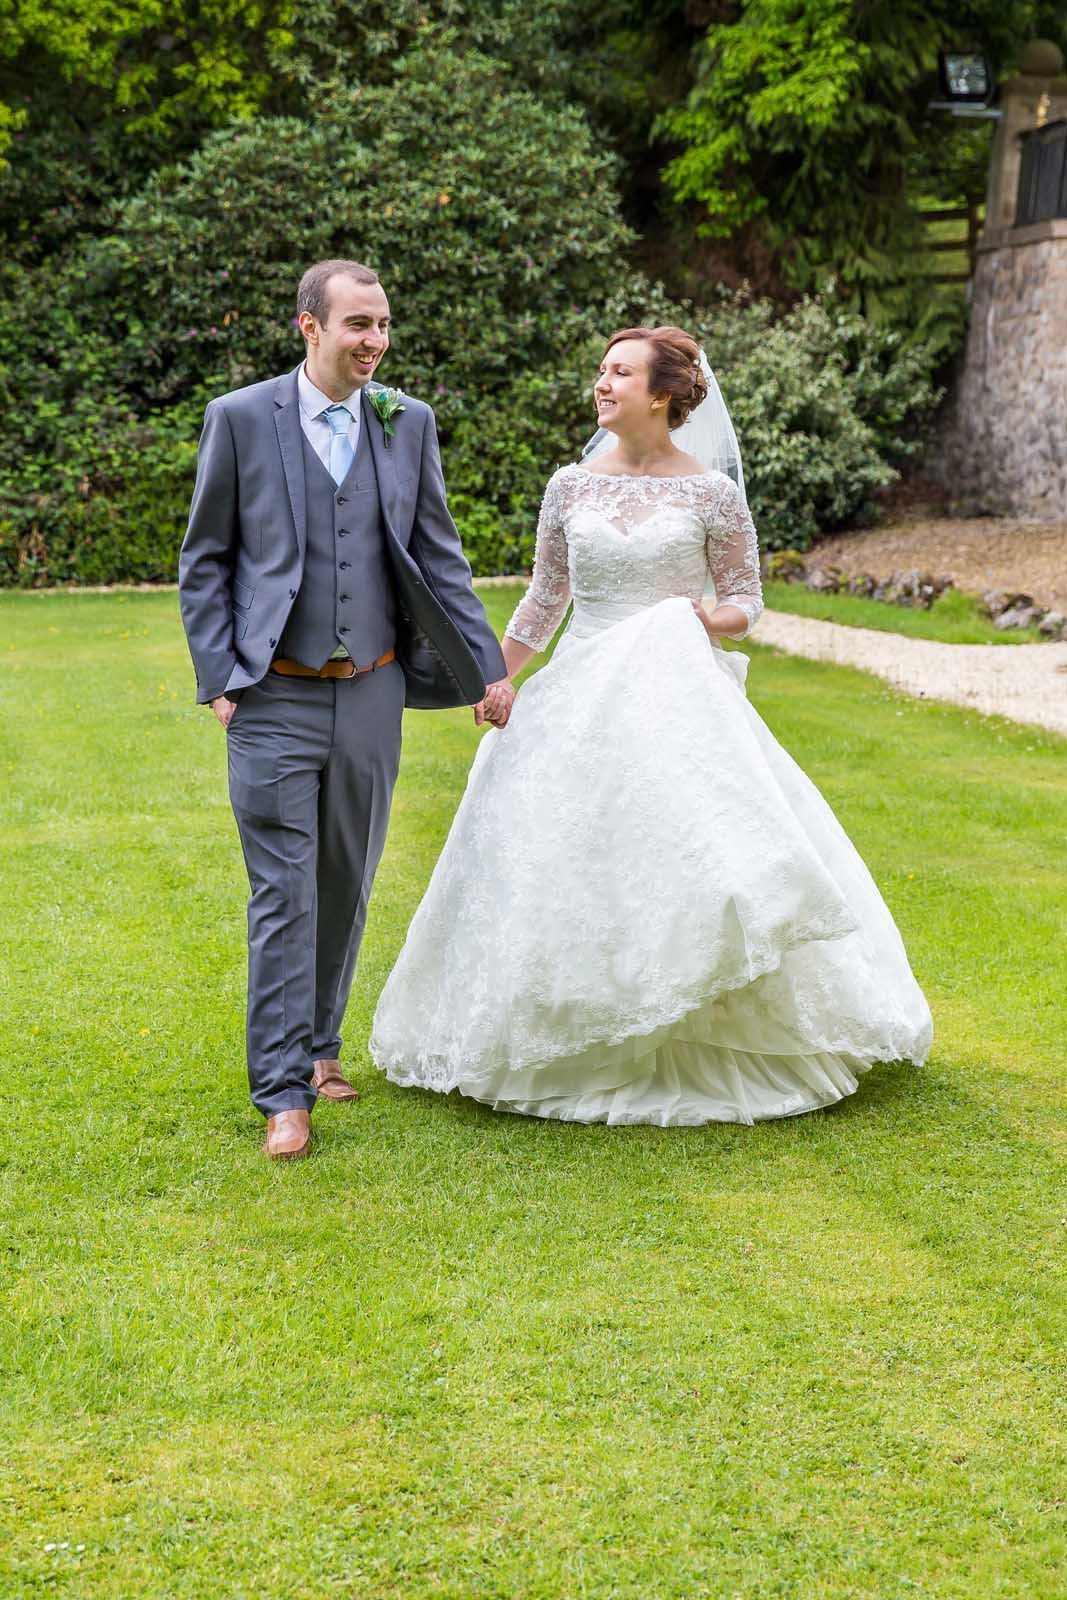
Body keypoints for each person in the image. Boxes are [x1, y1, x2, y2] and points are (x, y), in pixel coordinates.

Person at [370, 324, 932, 1125]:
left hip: (676, 693)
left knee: (697, 855)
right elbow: (544, 598)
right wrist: (493, 676)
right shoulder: (569, 486)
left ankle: (708, 1025)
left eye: (619, 373)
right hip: (583, 689)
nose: (601, 384)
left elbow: (747, 598)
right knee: (568, 853)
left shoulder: (710, 493)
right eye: (600, 370)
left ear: (663, 394)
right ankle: (570, 1029)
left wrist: (711, 616)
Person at [178, 258, 514, 1159]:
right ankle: (284, 1091)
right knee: (282, 892)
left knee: (345, 880)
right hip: (273, 695)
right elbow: (205, 559)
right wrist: (219, 678)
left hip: (373, 690)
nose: (374, 341)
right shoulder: (242, 419)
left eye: (383, 324)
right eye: (358, 324)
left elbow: (438, 557)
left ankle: (322, 1047)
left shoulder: (408, 425)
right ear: (308, 328)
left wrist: (487, 670)